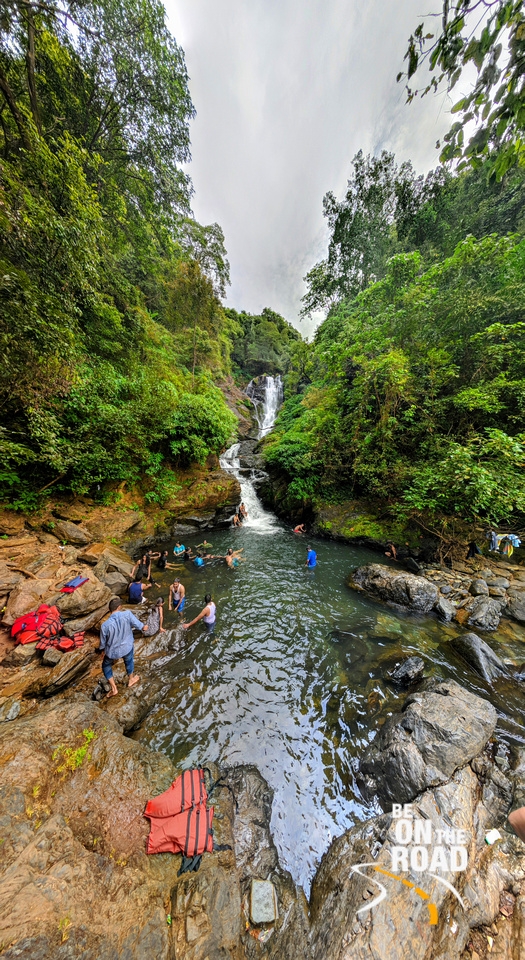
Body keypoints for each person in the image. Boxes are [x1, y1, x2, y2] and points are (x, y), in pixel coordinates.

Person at [99, 597, 147, 698]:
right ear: (119, 607)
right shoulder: (127, 614)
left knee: (106, 666)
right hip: (127, 647)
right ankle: (131, 679)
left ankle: (114, 689)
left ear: (109, 609)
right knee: (129, 661)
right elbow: (139, 625)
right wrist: (144, 627)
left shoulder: (105, 625)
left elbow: (103, 643)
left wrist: (103, 651)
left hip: (112, 652)